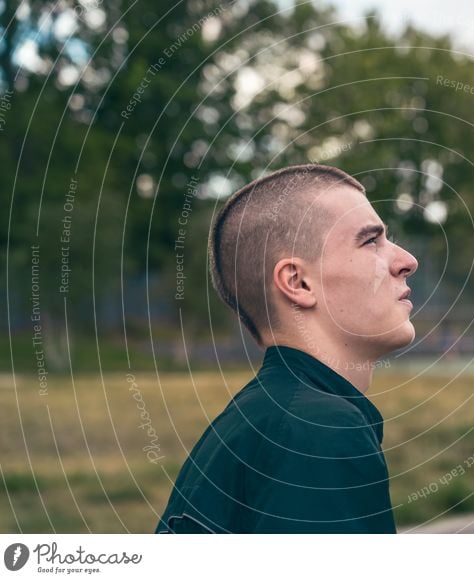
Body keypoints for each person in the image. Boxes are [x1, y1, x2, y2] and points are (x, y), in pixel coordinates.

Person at [155, 164, 419, 533]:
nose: (407, 261)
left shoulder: (260, 421)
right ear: (298, 282)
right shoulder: (318, 432)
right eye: (370, 240)